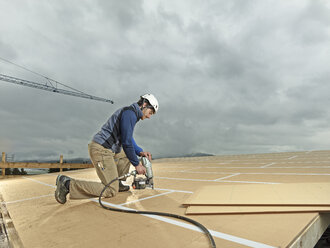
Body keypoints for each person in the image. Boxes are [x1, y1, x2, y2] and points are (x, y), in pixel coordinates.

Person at [55, 94, 159, 204]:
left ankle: (117, 182)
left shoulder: (130, 113)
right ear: (144, 105)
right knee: (110, 190)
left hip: (107, 149)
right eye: (150, 113)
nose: (149, 116)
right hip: (101, 150)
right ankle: (67, 184)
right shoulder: (130, 114)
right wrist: (137, 164)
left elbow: (128, 138)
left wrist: (139, 151)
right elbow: (126, 142)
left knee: (126, 154)